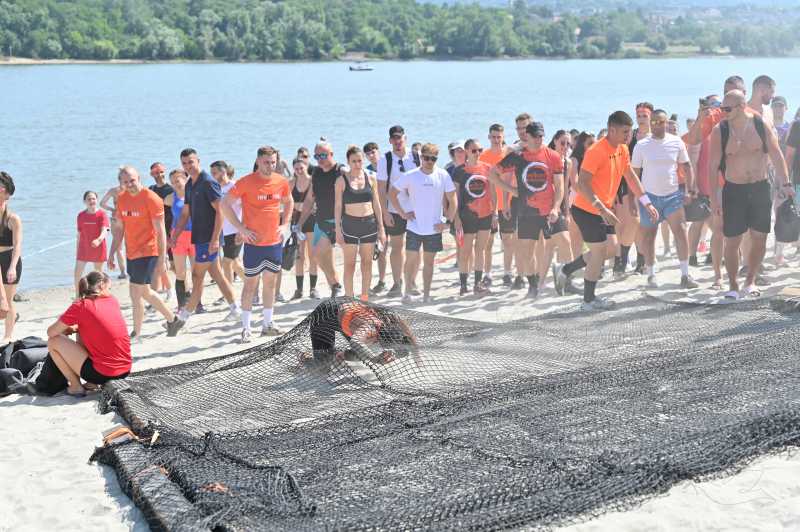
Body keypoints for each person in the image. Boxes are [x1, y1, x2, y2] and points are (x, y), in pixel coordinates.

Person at [553, 111, 658, 311]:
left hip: (604, 210)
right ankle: (588, 300)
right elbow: (583, 184)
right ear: (612, 130)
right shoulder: (596, 151)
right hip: (587, 209)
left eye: (630, 131)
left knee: (610, 250)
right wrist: (601, 208)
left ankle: (565, 269)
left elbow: (630, 176)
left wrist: (646, 202)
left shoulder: (623, 149)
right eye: (625, 132)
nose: (629, 136)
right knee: (599, 252)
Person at [708, 90, 793, 299]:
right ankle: (733, 285)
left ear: (741, 106)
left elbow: (776, 154)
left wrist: (786, 183)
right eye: (722, 108)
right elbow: (712, 167)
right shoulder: (720, 130)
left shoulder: (759, 124)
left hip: (760, 187)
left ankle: (750, 280)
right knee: (732, 240)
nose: (724, 112)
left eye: (727, 108)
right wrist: (713, 199)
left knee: (759, 237)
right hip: (733, 189)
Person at [222, 146, 293, 343]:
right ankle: (246, 328)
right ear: (258, 161)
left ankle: (267, 324)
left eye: (273, 162)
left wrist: (285, 225)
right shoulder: (246, 182)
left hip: (274, 242)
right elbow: (224, 204)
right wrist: (241, 229)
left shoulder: (281, 181)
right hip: (253, 243)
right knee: (250, 285)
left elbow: (289, 202)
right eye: (266, 162)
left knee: (270, 284)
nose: (270, 166)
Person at [488, 122, 564, 299]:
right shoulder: (518, 156)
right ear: (526, 136)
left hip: (548, 209)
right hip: (526, 210)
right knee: (527, 251)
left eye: (541, 136)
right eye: (535, 136)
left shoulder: (552, 155)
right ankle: (533, 285)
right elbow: (492, 174)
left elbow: (559, 186)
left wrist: (556, 207)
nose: (539, 139)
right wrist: (512, 191)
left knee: (564, 241)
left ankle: (564, 276)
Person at [170, 148, 240, 332]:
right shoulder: (189, 185)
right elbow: (185, 212)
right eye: (184, 163)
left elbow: (220, 211)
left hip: (209, 238)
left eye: (191, 162)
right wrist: (175, 235)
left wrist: (215, 239)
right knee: (217, 274)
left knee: (196, 276)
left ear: (198, 161)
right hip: (199, 237)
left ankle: (182, 319)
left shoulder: (208, 182)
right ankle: (236, 309)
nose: (188, 166)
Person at [109, 166, 181, 338]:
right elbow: (119, 229)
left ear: (139, 178)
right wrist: (112, 252)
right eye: (125, 182)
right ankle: (171, 321)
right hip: (131, 252)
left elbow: (161, 231)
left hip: (148, 251)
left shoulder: (151, 198)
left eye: (132, 180)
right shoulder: (122, 199)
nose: (129, 184)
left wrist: (162, 257)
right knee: (140, 292)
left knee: (138, 291)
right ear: (121, 183)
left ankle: (139, 331)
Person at [631, 109, 699, 289]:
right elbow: (634, 175)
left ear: (666, 123)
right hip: (649, 198)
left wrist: (689, 190)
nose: (656, 125)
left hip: (672, 196)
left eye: (660, 122)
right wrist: (633, 199)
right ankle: (651, 274)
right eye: (653, 122)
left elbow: (687, 166)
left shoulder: (676, 142)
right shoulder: (641, 145)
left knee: (681, 232)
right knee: (649, 237)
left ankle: (685, 275)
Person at [389, 143, 457, 303]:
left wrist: (448, 222)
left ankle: (426, 296)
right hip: (414, 226)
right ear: (421, 157)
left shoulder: (443, 175)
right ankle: (407, 293)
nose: (429, 161)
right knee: (410, 261)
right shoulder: (411, 175)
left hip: (434, 228)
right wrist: (402, 213)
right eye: (426, 158)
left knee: (429, 263)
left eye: (433, 159)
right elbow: (392, 193)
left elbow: (453, 199)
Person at [46, 272, 131, 396]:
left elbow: (51, 332)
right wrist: (74, 328)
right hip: (125, 370)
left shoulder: (81, 306)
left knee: (53, 341)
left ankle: (76, 386)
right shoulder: (112, 300)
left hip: (102, 374)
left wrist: (68, 329)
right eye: (109, 288)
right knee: (82, 328)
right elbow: (103, 327)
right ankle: (92, 383)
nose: (110, 291)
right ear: (101, 286)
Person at [334, 146, 386, 300]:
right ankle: (349, 298)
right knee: (349, 264)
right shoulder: (341, 181)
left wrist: (381, 228)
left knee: (367, 263)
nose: (357, 164)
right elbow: (337, 206)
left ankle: (364, 298)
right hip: (349, 225)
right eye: (354, 161)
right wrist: (337, 230)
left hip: (369, 224)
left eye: (359, 161)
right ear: (348, 162)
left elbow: (376, 204)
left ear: (363, 160)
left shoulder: (371, 178)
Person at [306, 299, 417, 367]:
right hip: (324, 314)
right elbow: (356, 342)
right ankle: (305, 358)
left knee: (364, 351)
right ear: (379, 337)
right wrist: (374, 358)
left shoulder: (391, 318)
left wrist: (417, 355)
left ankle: (339, 355)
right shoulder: (369, 328)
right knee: (322, 369)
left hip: (347, 311)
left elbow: (407, 331)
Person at [376, 126, 420, 298]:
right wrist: (385, 213)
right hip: (393, 210)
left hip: (415, 210)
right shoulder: (385, 160)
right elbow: (380, 189)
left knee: (415, 247)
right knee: (396, 246)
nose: (397, 141)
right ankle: (397, 283)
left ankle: (412, 281)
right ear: (390, 140)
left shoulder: (416, 156)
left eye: (400, 138)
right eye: (394, 138)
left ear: (405, 138)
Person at [297, 141, 344, 298]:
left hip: (341, 222)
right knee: (318, 256)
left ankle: (345, 291)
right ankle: (336, 286)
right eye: (317, 156)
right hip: (322, 221)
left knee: (350, 260)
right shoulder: (316, 172)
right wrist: (300, 223)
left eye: (323, 155)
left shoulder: (340, 171)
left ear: (331, 154)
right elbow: (310, 199)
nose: (320, 159)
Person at [453, 139, 496, 296]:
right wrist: (456, 217)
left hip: (485, 214)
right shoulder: (459, 171)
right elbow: (455, 197)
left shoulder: (487, 168)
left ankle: (478, 284)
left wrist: (495, 214)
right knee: (465, 251)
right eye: (473, 150)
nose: (477, 153)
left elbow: (493, 192)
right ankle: (463, 285)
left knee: (480, 249)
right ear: (466, 151)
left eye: (479, 150)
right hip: (467, 215)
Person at [618, 102, 652, 277]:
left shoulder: (655, 137)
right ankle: (622, 259)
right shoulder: (630, 136)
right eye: (638, 115)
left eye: (644, 115)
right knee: (633, 222)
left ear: (651, 116)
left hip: (650, 184)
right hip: (628, 183)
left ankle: (641, 262)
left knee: (643, 225)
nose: (641, 118)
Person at [540, 130, 575, 287]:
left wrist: (567, 212)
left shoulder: (568, 162)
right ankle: (567, 280)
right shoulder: (546, 159)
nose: (565, 146)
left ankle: (540, 284)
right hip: (547, 207)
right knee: (565, 242)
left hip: (560, 207)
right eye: (562, 143)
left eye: (568, 144)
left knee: (550, 247)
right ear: (554, 141)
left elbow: (565, 189)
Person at [479, 124, 512, 287]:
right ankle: (487, 274)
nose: (496, 140)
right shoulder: (483, 155)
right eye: (493, 137)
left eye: (499, 137)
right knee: (488, 242)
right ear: (489, 137)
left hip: (507, 203)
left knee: (507, 240)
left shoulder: (508, 153)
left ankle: (507, 273)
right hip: (489, 204)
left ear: (503, 137)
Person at [211, 160, 245, 290]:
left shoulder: (235, 186)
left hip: (235, 230)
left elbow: (246, 208)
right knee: (234, 263)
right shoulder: (215, 188)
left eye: (215, 173)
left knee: (227, 262)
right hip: (222, 231)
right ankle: (252, 287)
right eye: (211, 173)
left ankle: (229, 293)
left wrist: (242, 229)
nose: (213, 176)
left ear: (223, 171)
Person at [289, 157, 319, 300]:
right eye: (296, 169)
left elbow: (318, 200)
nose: (299, 171)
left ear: (306, 166)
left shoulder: (313, 182)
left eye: (301, 168)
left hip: (312, 220)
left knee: (313, 255)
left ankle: (313, 289)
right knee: (299, 256)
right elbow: (286, 202)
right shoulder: (291, 183)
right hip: (296, 221)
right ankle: (299, 290)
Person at [166, 169, 195, 312]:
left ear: (185, 178)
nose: (175, 184)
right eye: (172, 182)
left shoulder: (194, 194)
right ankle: (181, 305)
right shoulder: (170, 198)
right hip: (178, 237)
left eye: (177, 180)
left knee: (196, 272)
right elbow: (161, 216)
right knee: (180, 272)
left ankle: (197, 303)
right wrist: (166, 237)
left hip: (195, 236)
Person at [363, 141, 388, 292]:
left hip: (391, 209)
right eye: (368, 154)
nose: (371, 155)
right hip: (375, 212)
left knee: (396, 247)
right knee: (379, 248)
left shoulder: (387, 166)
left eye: (373, 152)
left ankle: (400, 280)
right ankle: (382, 281)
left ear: (378, 151)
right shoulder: (367, 171)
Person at [74, 191, 109, 298]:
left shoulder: (102, 214)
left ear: (96, 200)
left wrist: (99, 240)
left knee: (98, 274)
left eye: (93, 199)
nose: (91, 201)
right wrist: (77, 250)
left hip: (98, 247)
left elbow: (105, 230)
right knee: (77, 273)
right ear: (84, 201)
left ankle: (98, 294)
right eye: (89, 199)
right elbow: (79, 234)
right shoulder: (81, 215)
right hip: (84, 248)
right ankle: (77, 295)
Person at [567, 132, 596, 260]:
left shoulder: (594, 158)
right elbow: (574, 183)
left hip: (591, 197)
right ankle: (575, 263)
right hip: (576, 197)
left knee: (591, 235)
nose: (593, 146)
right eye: (590, 143)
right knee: (575, 235)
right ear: (582, 144)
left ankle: (587, 262)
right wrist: (589, 197)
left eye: (594, 143)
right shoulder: (574, 160)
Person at [0, 172, 21, 344]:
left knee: (7, 301)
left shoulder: (13, 218)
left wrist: (13, 266)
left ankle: (7, 337)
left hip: (8, 260)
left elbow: (17, 245)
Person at [99, 177, 127, 279]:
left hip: (117, 218)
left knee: (118, 246)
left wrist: (112, 209)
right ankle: (128, 270)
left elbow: (102, 203)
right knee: (127, 245)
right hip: (129, 217)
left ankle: (123, 272)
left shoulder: (114, 190)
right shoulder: (132, 190)